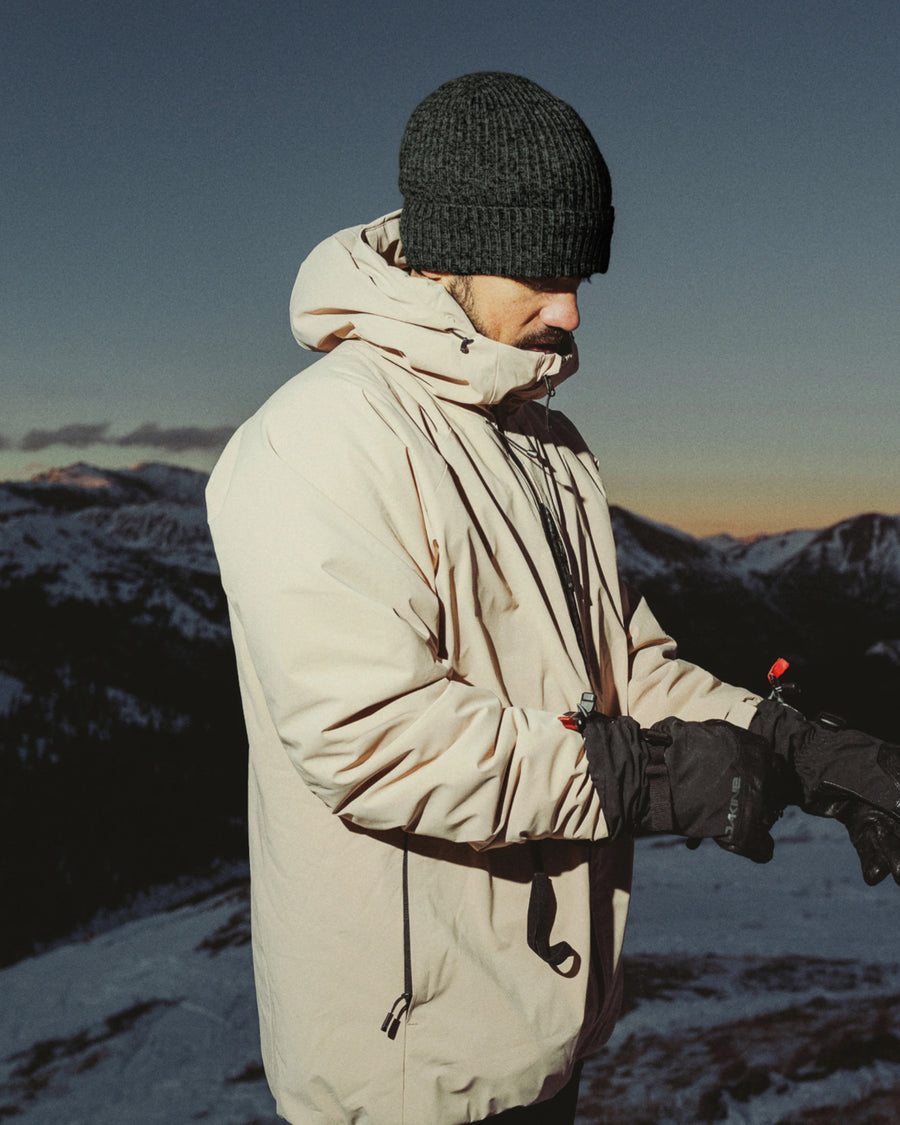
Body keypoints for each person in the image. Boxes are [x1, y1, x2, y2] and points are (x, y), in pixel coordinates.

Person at [206, 72, 900, 1125]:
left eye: (581, 270)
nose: (570, 308)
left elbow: (619, 663)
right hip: (410, 1060)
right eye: (538, 270)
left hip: (537, 1024)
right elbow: (371, 737)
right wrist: (650, 780)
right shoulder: (318, 442)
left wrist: (791, 745)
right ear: (447, 247)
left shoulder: (543, 441)